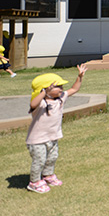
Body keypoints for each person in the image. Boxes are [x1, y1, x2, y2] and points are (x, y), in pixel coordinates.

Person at [25, 65, 87, 193]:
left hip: (53, 137)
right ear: (47, 88)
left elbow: (74, 89)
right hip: (37, 140)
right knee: (40, 160)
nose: (61, 89)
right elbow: (33, 104)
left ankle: (48, 176)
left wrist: (80, 77)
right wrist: (44, 92)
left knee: (52, 157)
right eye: (58, 86)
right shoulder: (41, 103)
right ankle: (34, 182)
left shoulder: (60, 99)